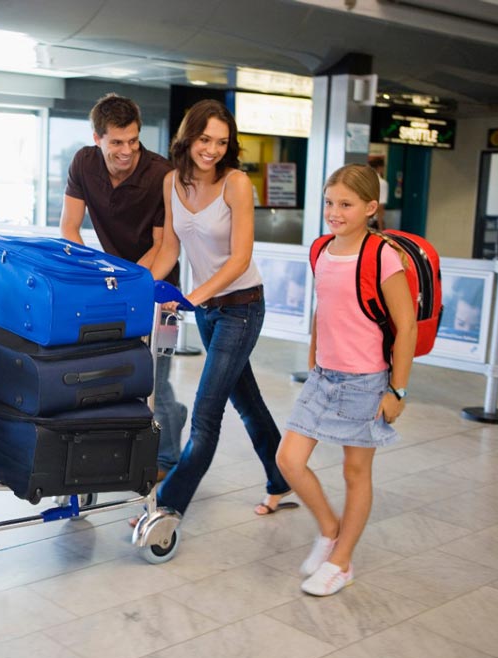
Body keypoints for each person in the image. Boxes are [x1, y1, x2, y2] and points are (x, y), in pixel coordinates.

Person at [147, 99, 293, 520]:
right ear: (188, 138)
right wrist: (140, 288)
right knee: (247, 403)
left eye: (221, 142)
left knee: (207, 414)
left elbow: (240, 258)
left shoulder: (236, 183)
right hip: (210, 312)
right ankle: (282, 477)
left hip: (242, 308)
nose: (211, 149)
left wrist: (194, 296)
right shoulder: (173, 181)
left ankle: (168, 508)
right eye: (204, 139)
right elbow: (170, 248)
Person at [276, 164, 416, 596]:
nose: (334, 212)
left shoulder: (382, 256)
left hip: (366, 380)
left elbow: (406, 326)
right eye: (329, 202)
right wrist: (315, 353)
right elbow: (325, 306)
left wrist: (398, 390)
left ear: (370, 208)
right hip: (324, 376)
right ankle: (330, 528)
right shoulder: (321, 250)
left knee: (356, 472)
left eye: (346, 204)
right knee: (289, 459)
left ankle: (341, 561)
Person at [60, 93, 189, 479]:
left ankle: (166, 458)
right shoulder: (84, 162)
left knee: (154, 374)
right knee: (119, 372)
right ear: (98, 137)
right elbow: (69, 227)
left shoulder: (160, 174)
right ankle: (143, 432)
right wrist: (93, 279)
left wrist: (128, 284)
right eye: (117, 142)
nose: (127, 151)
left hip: (158, 288)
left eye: (133, 140)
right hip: (112, 284)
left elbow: (162, 246)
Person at [367, 156, 389, 230]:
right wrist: (381, 228)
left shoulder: (364, 181)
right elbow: (380, 207)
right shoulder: (382, 183)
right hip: (374, 221)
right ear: (380, 167)